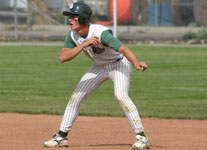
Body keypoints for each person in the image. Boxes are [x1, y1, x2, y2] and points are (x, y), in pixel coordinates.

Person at [43, 2, 150, 149]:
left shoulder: (100, 33)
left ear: (84, 18)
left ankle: (142, 138)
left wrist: (136, 63)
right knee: (76, 96)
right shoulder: (73, 35)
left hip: (119, 64)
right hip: (99, 66)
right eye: (69, 16)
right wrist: (83, 45)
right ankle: (61, 137)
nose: (70, 19)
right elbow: (63, 58)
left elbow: (123, 49)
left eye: (74, 16)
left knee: (121, 95)